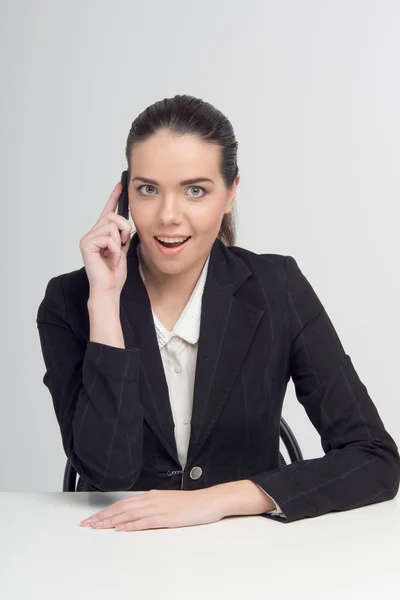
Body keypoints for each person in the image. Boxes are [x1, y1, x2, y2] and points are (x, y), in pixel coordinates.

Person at [36, 94, 400, 531]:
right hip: (121, 555)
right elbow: (108, 472)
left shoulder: (276, 287)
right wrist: (105, 304)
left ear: (230, 193)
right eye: (148, 189)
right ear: (124, 195)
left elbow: (374, 458)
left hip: (248, 550)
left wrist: (219, 500)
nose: (169, 216)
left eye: (195, 190)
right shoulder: (71, 300)